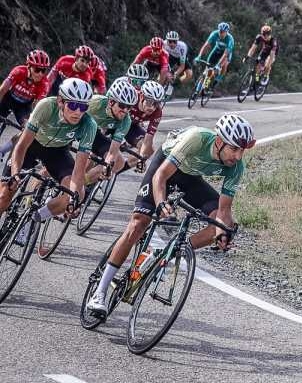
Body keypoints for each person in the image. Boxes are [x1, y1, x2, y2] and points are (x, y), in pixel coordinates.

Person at [86, 114, 255, 316]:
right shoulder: (196, 138)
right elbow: (161, 175)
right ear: (219, 141)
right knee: (139, 223)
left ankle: (171, 251)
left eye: (242, 150)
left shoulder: (236, 167)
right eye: (234, 149)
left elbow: (224, 210)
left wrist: (222, 233)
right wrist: (161, 204)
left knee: (223, 225)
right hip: (164, 168)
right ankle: (100, 292)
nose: (238, 156)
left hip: (191, 178)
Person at [0, 78, 96, 243]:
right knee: (4, 195)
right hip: (31, 146)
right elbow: (22, 146)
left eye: (83, 107)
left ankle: (33, 219)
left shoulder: (89, 125)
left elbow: (78, 171)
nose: (78, 112)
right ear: (60, 101)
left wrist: (73, 200)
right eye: (73, 105)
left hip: (57, 153)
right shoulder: (46, 106)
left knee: (76, 194)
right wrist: (15, 174)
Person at [84, 77, 137, 185]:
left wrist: (107, 167)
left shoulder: (126, 121)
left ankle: (81, 183)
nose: (125, 110)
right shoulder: (96, 102)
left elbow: (112, 152)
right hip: (76, 127)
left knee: (118, 162)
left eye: (129, 107)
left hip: (93, 132)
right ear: (111, 102)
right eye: (122, 105)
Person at [125, 80, 167, 166]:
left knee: (149, 150)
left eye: (156, 104)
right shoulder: (132, 97)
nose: (152, 107)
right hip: (116, 123)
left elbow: (148, 139)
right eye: (149, 102)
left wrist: (141, 159)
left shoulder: (157, 112)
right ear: (141, 97)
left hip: (131, 127)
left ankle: (119, 169)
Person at [194, 22, 235, 91]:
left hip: (226, 54)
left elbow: (225, 54)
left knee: (224, 66)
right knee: (208, 71)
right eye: (220, 31)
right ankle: (200, 89)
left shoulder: (230, 39)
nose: (221, 34)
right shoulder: (214, 34)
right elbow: (206, 45)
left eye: (223, 32)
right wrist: (199, 56)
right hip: (217, 50)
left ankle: (217, 80)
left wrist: (218, 65)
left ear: (227, 32)